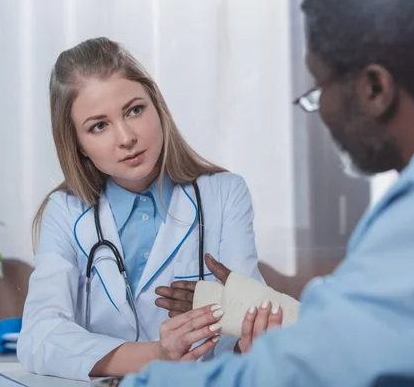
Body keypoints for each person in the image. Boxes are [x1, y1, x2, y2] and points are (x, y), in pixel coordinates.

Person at [118, 0, 414, 385]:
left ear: (375, 89)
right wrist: (261, 307)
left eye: (319, 87)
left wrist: (143, 382)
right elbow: (392, 326)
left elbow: (300, 375)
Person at [16, 37, 266, 381]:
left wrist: (246, 329)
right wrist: (156, 355)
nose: (126, 137)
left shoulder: (224, 195)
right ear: (79, 145)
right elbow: (39, 337)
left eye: (135, 110)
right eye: (98, 126)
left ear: (157, 106)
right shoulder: (66, 211)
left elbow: (255, 325)